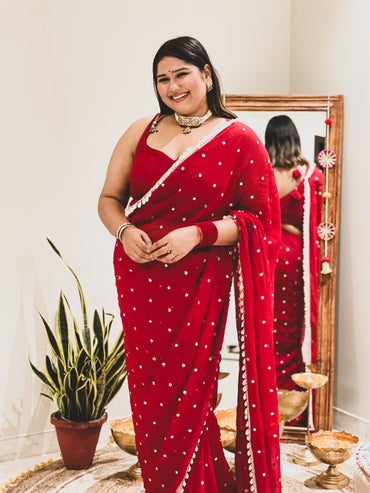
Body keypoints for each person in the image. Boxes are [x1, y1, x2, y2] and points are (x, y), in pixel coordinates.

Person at [99, 36, 281, 493]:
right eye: (163, 78)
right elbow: (108, 200)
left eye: (182, 73)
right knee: (151, 397)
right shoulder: (141, 130)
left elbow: (261, 223)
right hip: (140, 278)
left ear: (207, 75)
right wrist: (123, 231)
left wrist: (195, 234)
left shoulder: (238, 139)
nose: (173, 85)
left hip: (197, 282)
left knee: (190, 394)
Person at [264, 115, 323, 395]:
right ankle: (294, 401)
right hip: (296, 258)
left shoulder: (264, 172)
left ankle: (270, 397)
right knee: (294, 326)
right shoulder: (309, 174)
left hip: (270, 253)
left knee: (271, 327)